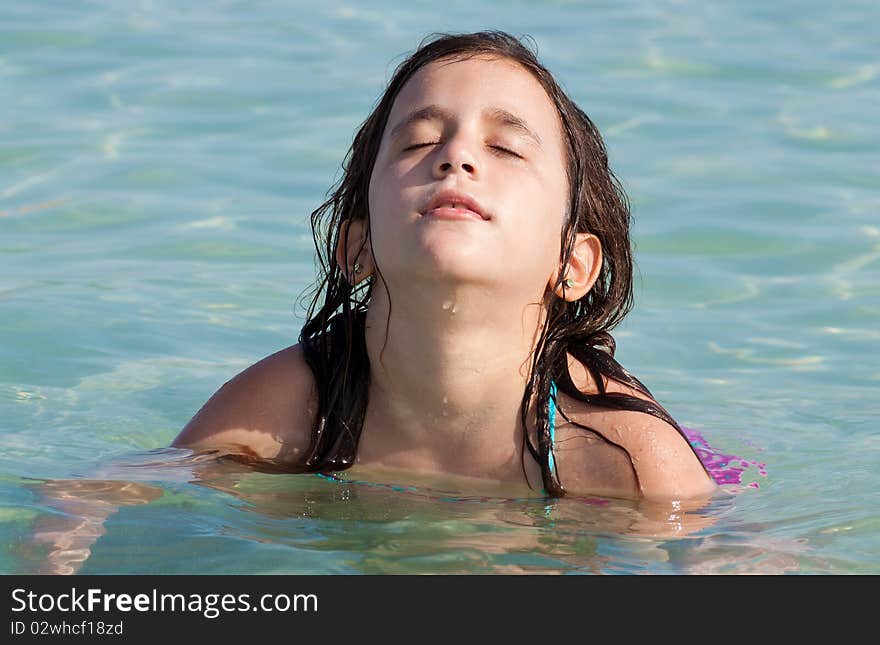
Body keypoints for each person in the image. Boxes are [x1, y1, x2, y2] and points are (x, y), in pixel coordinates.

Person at [172, 30, 717, 501]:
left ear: (571, 262)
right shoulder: (292, 406)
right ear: (357, 245)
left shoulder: (621, 453)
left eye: (505, 148)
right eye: (419, 141)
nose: (456, 156)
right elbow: (115, 498)